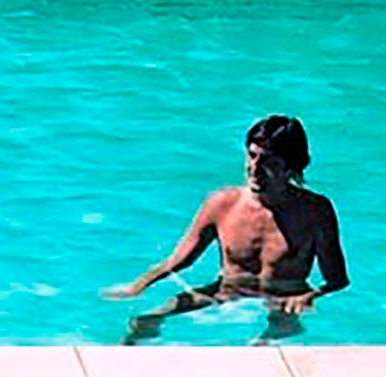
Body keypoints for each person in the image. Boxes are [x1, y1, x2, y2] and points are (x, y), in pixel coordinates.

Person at [104, 115, 349, 344]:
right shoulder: (221, 204)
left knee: (266, 343)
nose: (254, 167)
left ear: (290, 167)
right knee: (146, 320)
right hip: (227, 290)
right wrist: (138, 285)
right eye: (252, 156)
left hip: (284, 301)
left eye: (269, 162)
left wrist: (309, 296)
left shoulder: (316, 212)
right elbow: (179, 260)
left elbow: (337, 280)